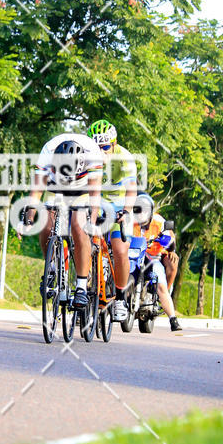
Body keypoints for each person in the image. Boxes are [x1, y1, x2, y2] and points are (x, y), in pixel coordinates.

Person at [21, 133, 102, 310]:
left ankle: (81, 286)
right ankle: (51, 268)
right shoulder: (48, 152)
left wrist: (92, 222)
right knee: (46, 222)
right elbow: (36, 192)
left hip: (82, 188)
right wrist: (28, 219)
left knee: (79, 227)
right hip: (54, 186)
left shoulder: (92, 153)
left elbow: (95, 195)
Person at [87, 119, 137, 321]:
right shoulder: (85, 156)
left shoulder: (124, 158)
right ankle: (85, 292)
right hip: (94, 204)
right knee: (84, 244)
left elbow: (132, 188)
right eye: (95, 147)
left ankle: (120, 298)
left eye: (105, 147)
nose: (100, 151)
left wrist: (126, 211)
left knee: (120, 249)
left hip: (118, 207)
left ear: (114, 144)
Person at [133, 194, 182, 332]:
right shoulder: (129, 221)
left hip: (154, 258)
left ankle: (172, 318)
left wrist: (169, 245)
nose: (141, 214)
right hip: (134, 257)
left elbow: (171, 239)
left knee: (161, 282)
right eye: (138, 210)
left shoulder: (159, 221)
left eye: (144, 210)